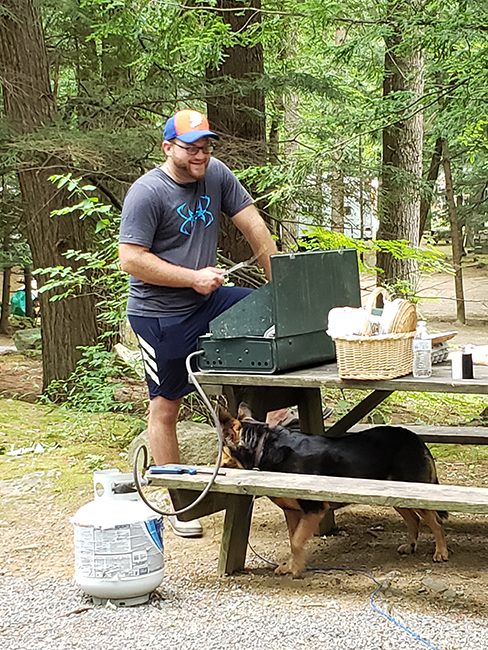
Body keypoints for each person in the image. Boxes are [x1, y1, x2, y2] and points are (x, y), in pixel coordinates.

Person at [118, 108, 277, 537]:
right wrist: (192, 278)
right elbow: (131, 259)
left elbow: (254, 227)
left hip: (207, 301)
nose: (200, 154)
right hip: (160, 316)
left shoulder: (217, 175)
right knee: (165, 406)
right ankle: (180, 507)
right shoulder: (147, 193)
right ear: (168, 147)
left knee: (272, 320)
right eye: (191, 147)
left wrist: (279, 280)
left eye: (205, 146)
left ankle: (276, 419)